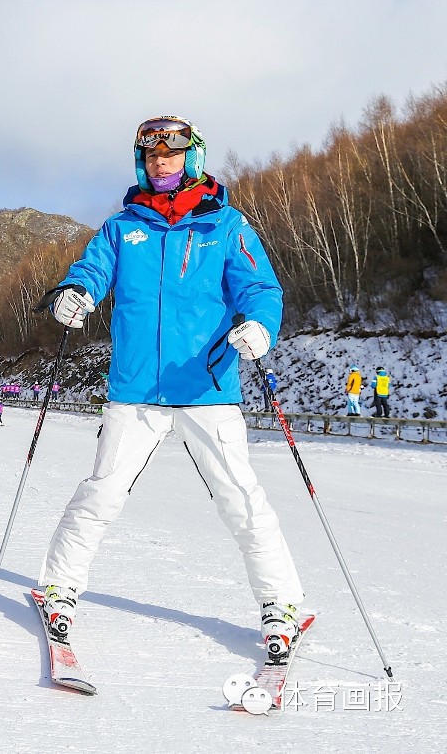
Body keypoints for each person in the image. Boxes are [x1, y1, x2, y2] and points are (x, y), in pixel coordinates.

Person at [37, 116, 304, 661]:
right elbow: (91, 271)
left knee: (240, 499)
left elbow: (260, 288)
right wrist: (75, 293)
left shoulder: (225, 225)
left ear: (192, 157)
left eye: (173, 152)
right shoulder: (121, 228)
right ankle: (60, 588)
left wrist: (258, 324)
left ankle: (283, 604)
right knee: (103, 492)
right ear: (142, 162)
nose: (163, 161)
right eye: (152, 155)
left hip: (206, 388)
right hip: (135, 390)